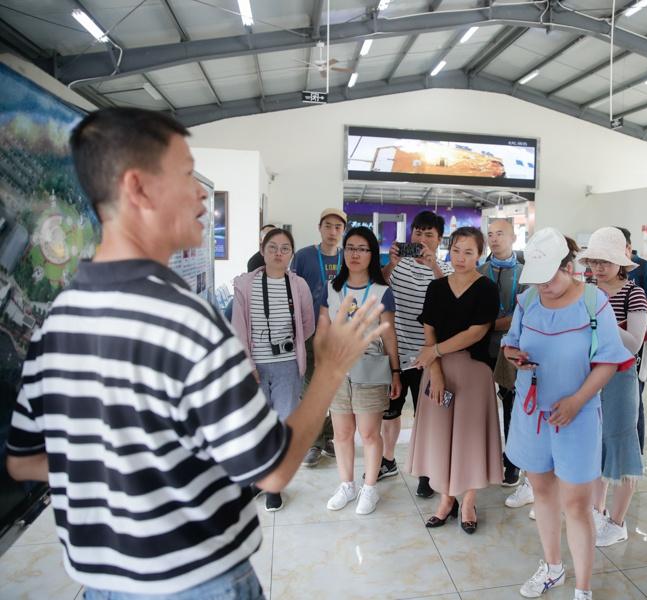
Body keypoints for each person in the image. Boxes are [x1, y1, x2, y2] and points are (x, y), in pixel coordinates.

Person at [4, 107, 387, 598]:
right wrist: (331, 366)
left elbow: (25, 461)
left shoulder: (57, 321)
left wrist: (132, 468)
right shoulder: (186, 320)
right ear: (139, 188)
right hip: (200, 580)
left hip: (102, 584)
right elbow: (272, 470)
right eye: (186, 174)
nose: (203, 193)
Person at [503, 228, 633, 600]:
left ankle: (583, 588)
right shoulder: (528, 300)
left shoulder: (593, 303)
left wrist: (576, 401)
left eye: (549, 277)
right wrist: (515, 357)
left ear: (568, 266)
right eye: (536, 279)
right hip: (533, 414)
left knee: (576, 504)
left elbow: (609, 361)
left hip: (578, 416)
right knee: (543, 492)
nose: (543, 286)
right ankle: (552, 567)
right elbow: (511, 344)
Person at [406, 227, 501, 534]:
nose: (460, 258)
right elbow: (429, 330)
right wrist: (434, 370)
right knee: (441, 435)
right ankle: (446, 500)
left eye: (468, 252)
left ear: (479, 255)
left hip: (474, 372)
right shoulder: (436, 287)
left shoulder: (487, 288)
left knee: (469, 437)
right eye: (456, 250)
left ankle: (469, 501)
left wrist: (434, 351)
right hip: (438, 369)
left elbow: (477, 332)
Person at [232, 227, 315, 512]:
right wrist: (248, 365)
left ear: (291, 254)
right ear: (262, 250)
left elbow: (307, 324)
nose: (279, 253)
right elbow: (238, 329)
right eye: (272, 248)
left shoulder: (299, 285)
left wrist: (291, 346)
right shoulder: (245, 285)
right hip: (255, 366)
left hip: (288, 366)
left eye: (285, 248)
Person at [319, 227, 401, 515]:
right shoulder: (332, 287)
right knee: (342, 433)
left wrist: (395, 371)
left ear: (372, 254)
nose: (355, 254)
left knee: (368, 433)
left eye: (362, 249)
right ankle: (347, 485)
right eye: (351, 248)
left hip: (370, 367)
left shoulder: (381, 291)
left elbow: (389, 335)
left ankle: (370, 488)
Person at [579, 228, 646, 548]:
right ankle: (596, 510)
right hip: (589, 375)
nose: (599, 267)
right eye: (594, 261)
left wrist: (601, 315)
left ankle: (617, 522)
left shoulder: (634, 293)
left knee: (621, 446)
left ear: (620, 261)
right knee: (595, 445)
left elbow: (633, 344)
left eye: (605, 261)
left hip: (620, 375)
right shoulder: (586, 291)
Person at [381, 210, 453, 497]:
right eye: (418, 232)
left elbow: (452, 299)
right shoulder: (398, 265)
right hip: (396, 354)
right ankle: (387, 461)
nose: (421, 238)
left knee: (428, 417)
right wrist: (391, 264)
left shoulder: (446, 268)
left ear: (439, 239)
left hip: (430, 357)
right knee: (390, 412)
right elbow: (378, 287)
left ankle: (426, 472)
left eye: (429, 234)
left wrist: (433, 266)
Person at [291, 208, 347, 466]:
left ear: (343, 230)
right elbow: (292, 292)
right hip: (310, 333)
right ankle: (312, 443)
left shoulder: (348, 257)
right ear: (319, 227)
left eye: (338, 227)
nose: (332, 231)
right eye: (328, 226)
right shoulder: (303, 256)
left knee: (336, 389)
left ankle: (328, 437)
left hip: (339, 334)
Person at [478, 218, 527, 486]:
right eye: (490, 234)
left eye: (500, 234)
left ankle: (513, 462)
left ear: (513, 238)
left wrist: (487, 325)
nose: (494, 239)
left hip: (511, 348)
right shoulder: (479, 271)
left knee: (511, 406)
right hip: (481, 349)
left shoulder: (525, 273)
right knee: (481, 406)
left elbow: (524, 314)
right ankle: (484, 458)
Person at [617, 226, 647, 452]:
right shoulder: (602, 273)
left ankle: (635, 452)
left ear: (628, 248)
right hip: (609, 348)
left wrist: (635, 308)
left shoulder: (646, 270)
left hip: (639, 343)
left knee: (634, 398)